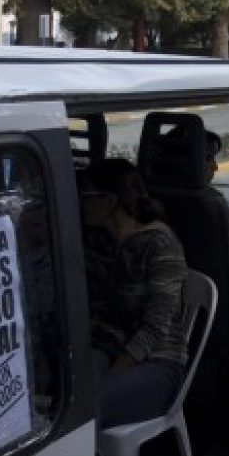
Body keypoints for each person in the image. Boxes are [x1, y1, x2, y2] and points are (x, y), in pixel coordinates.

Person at [81, 159, 189, 427]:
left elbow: (155, 328)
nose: (81, 203)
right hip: (110, 346)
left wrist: (115, 372)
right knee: (66, 398)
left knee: (85, 410)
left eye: (86, 196)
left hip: (157, 362)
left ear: (109, 201)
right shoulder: (100, 241)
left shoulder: (159, 245)